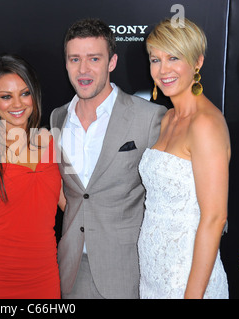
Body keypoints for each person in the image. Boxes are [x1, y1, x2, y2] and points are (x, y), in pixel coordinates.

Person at [50, 18, 166, 298]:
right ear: (66, 63)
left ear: (112, 62)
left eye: (94, 59)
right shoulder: (58, 117)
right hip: (71, 267)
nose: (83, 70)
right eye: (74, 59)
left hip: (126, 270)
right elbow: (70, 192)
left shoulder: (149, 118)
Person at [137, 18, 230, 299]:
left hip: (188, 280)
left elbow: (215, 218)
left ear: (197, 62)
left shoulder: (206, 124)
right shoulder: (168, 118)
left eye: (173, 58)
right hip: (153, 274)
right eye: (156, 59)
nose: (163, 69)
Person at [0, 54, 63, 299]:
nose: (17, 104)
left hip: (45, 275)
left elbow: (70, 203)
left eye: (24, 93)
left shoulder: (50, 141)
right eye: (6, 96)